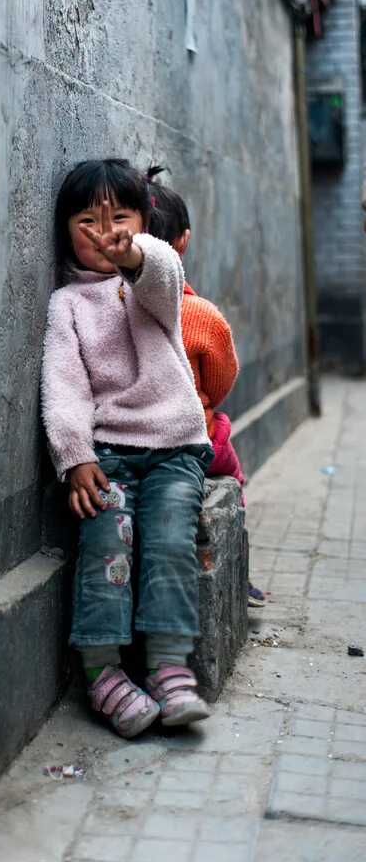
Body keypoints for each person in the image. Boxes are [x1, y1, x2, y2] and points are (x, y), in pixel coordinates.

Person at [41, 158, 214, 738]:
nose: (104, 230)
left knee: (168, 542)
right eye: (87, 220)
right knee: (105, 547)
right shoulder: (66, 304)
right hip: (107, 456)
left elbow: (163, 271)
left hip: (175, 450)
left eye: (120, 217)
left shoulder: (151, 283)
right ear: (66, 230)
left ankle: (169, 668)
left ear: (144, 221)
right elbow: (63, 387)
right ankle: (102, 673)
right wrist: (75, 457)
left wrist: (134, 255)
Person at [145, 165, 265, 609]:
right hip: (194, 442)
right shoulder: (200, 315)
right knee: (232, 470)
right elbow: (221, 380)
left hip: (126, 441)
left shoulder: (111, 303)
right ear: (183, 242)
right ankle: (241, 570)